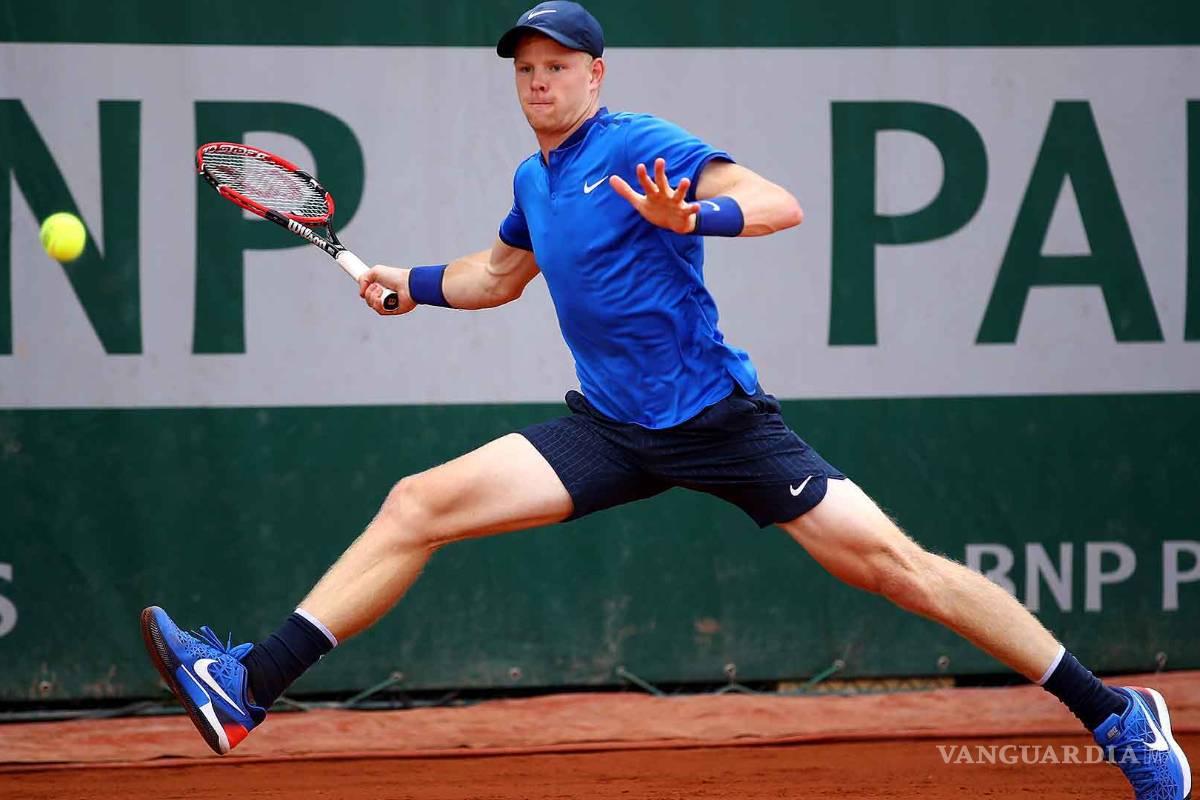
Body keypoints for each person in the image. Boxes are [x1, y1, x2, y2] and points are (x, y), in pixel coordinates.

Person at [141, 3, 1190, 796]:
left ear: (596, 74)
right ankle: (250, 685)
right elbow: (497, 277)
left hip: (718, 420)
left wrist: (697, 222)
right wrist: (405, 284)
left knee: (899, 570)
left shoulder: (639, 141)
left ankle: (1115, 714)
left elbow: (777, 201)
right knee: (419, 502)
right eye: (527, 70)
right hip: (609, 427)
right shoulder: (535, 177)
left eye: (558, 68)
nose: (540, 83)